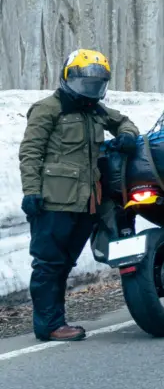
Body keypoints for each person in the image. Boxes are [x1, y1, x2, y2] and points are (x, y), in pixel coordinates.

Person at [18, 49, 140, 342]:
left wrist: (127, 135)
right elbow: (30, 153)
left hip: (87, 201)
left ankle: (53, 320)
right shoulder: (48, 109)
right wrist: (31, 192)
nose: (90, 90)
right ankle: (48, 325)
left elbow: (125, 121)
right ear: (67, 77)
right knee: (49, 263)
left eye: (96, 85)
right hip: (53, 201)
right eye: (85, 83)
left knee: (65, 263)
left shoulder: (95, 110)